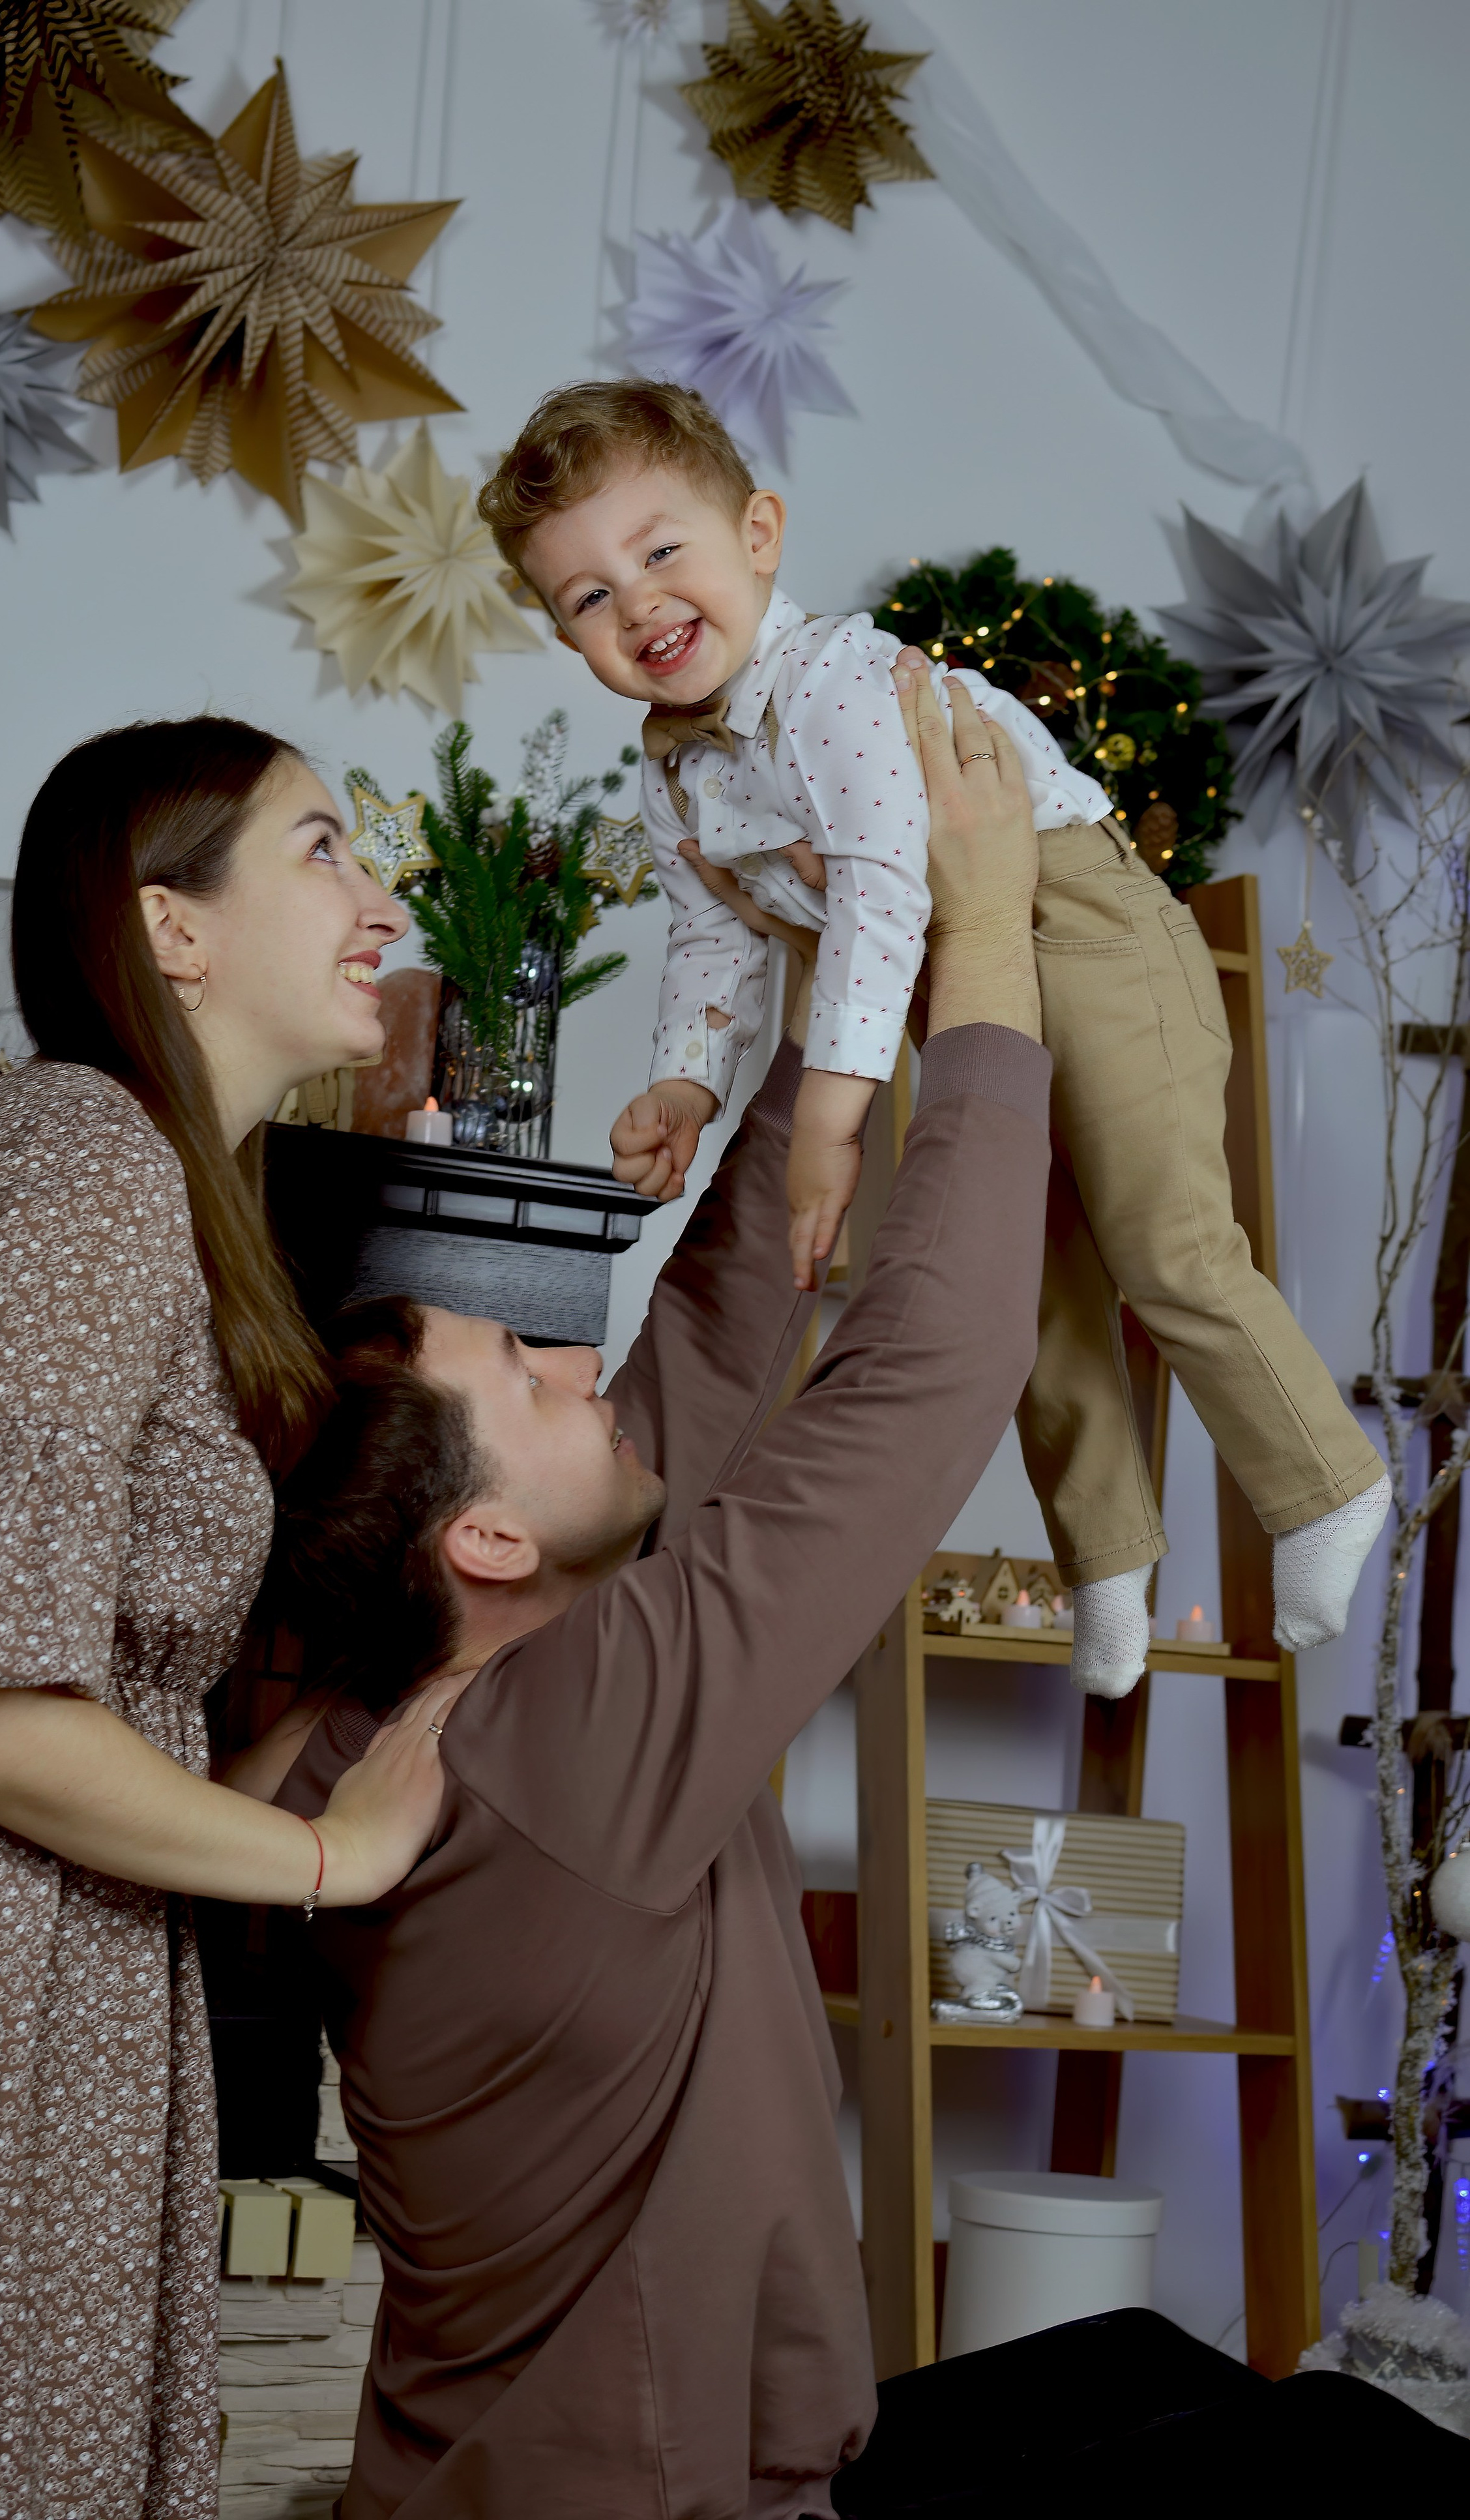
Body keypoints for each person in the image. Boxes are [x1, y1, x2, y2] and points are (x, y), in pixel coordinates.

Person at [236, 668, 1041, 2519]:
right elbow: (927, 1369)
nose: (568, 1366)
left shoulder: (413, 1717)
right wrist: (988, 952)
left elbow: (702, 1341)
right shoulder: (580, 1736)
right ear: (487, 1545)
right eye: (522, 1376)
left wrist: (827, 1010)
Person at [475, 378, 1389, 1697]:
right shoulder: (673, 771)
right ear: (567, 639)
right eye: (588, 597)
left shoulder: (844, 686)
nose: (638, 607)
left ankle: (1323, 1482)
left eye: (660, 550)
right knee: (1030, 1285)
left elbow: (885, 896)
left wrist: (833, 1121)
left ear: (758, 534)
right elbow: (716, 942)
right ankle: (1106, 1556)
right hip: (955, 993)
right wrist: (684, 1076)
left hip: (1084, 937)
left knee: (1157, 1239)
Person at [0, 720, 455, 2520]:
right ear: (174, 928)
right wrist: (330, 1857)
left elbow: (46, 1674)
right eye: (321, 849)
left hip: (10, 1945)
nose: (377, 901)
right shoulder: (92, 1167)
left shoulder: (110, 1169)